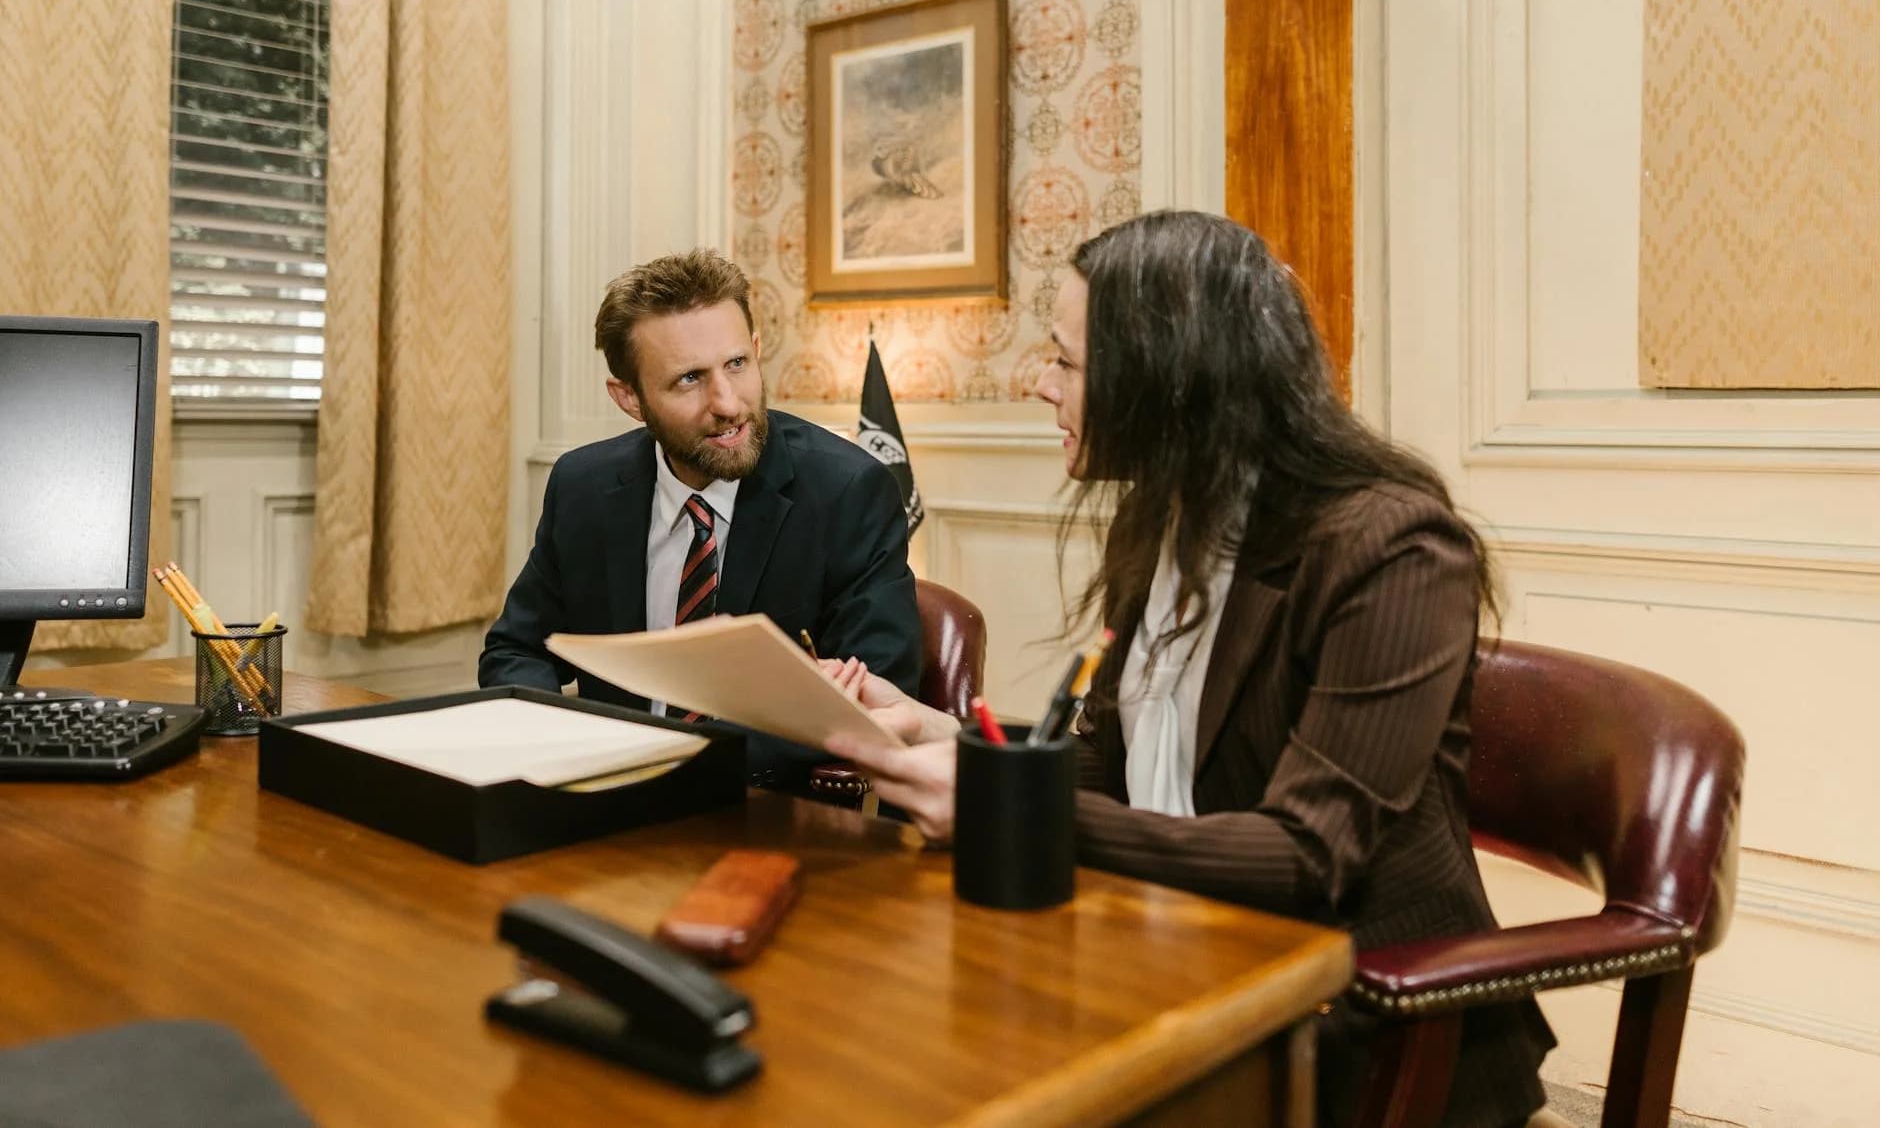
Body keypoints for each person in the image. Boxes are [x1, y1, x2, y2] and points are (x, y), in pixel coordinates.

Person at [823, 212, 1554, 1128]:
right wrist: (944, 731)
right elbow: (1114, 762)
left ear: (1171, 384)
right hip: (1170, 957)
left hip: (1362, 1028)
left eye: (1068, 362)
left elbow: (1305, 854)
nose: (1040, 384)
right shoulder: (1160, 515)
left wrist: (1008, 809)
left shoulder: (1393, 547)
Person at [480, 248, 921, 791]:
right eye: (689, 379)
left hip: (766, 815)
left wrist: (681, 769)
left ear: (757, 351)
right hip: (603, 800)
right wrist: (570, 748)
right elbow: (516, 650)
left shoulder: (848, 492)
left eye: (737, 364)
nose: (728, 402)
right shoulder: (584, 488)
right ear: (630, 399)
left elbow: (876, 691)